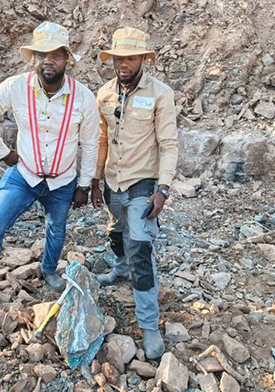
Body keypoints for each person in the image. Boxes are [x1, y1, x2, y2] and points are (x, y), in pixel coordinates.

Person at [0, 22, 99, 301]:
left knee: (56, 229)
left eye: (55, 55)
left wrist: (83, 185)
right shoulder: (17, 86)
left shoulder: (83, 97)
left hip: (62, 180)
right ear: (34, 58)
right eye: (42, 54)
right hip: (24, 174)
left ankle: (49, 270)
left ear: (66, 60)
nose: (48, 61)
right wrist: (3, 152)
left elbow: (91, 143)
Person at [91, 27, 178, 360]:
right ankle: (120, 268)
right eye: (118, 58)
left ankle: (149, 324)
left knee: (140, 248)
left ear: (143, 58)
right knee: (116, 233)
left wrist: (163, 188)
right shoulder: (104, 94)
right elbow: (101, 140)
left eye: (130, 58)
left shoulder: (160, 94)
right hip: (112, 181)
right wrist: (95, 180)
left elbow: (168, 144)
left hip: (143, 183)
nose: (123, 64)